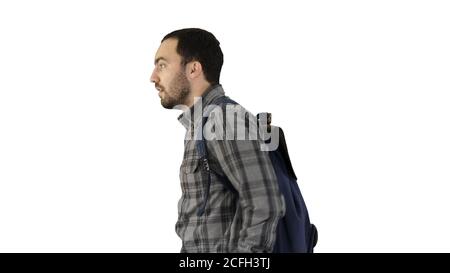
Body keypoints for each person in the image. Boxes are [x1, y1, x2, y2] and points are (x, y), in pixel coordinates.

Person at [150, 28, 285, 253]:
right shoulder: (203, 123)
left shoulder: (223, 120)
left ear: (193, 68)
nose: (153, 76)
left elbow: (264, 203)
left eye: (162, 65)